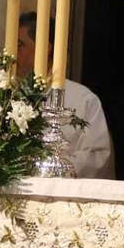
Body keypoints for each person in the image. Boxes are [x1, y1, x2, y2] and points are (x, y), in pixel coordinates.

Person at [17, 11, 114, 179]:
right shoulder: (7, 96)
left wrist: (54, 170)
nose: (12, 52)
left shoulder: (83, 99)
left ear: (45, 48)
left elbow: (97, 156)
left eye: (20, 45)